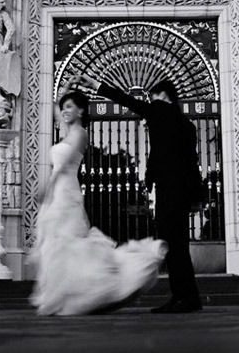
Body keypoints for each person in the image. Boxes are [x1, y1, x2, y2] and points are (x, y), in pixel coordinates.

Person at [29, 83, 166, 316]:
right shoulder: (66, 130)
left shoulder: (80, 133)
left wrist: (47, 189)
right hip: (59, 190)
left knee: (68, 240)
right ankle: (63, 292)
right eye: (64, 108)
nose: (64, 110)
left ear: (81, 111)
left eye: (70, 107)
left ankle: (96, 287)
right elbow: (54, 109)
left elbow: (62, 167)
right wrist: (65, 91)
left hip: (65, 190)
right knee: (57, 242)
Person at [77, 75, 204, 314]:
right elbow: (192, 162)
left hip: (169, 190)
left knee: (171, 244)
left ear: (162, 96)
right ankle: (187, 297)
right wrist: (198, 197)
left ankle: (184, 297)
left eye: (152, 97)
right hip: (183, 191)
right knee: (179, 245)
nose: (149, 102)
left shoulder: (158, 110)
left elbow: (126, 100)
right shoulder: (187, 125)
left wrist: (95, 86)